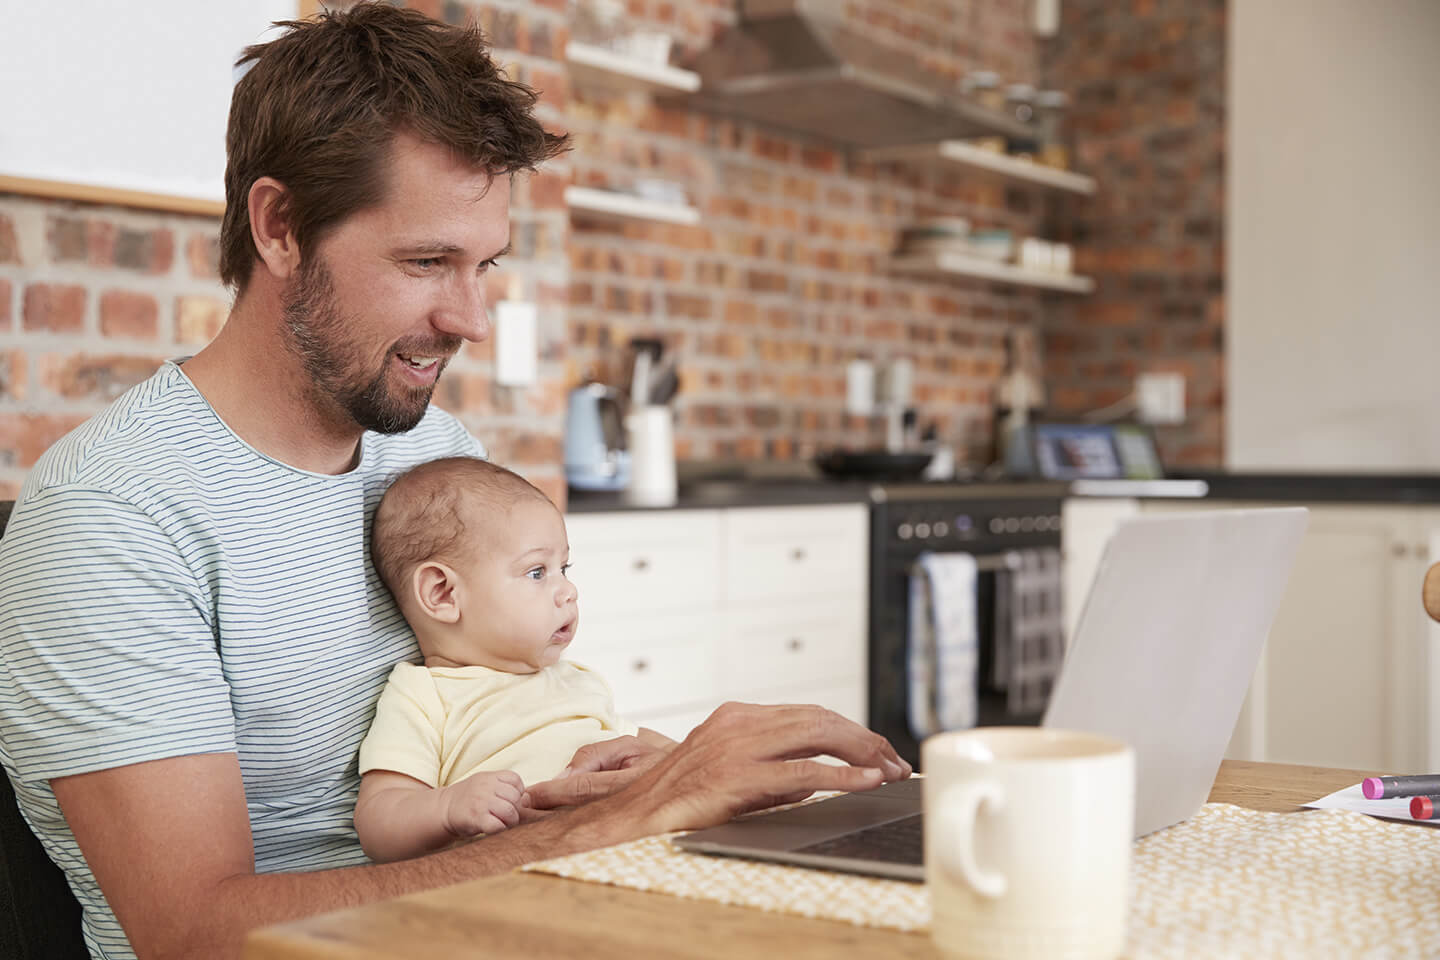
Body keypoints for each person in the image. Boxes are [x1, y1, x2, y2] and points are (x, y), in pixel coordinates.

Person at [0, 6, 910, 960]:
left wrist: (614, 775)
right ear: (279, 226)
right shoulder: (113, 519)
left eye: (484, 265)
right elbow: (192, 932)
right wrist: (616, 824)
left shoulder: (430, 454)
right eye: (427, 261)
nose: (471, 317)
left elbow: (488, 724)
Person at [355, 455, 676, 862]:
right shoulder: (423, 696)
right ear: (443, 594)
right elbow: (379, 822)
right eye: (537, 572)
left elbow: (637, 749)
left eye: (564, 567)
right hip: (524, 874)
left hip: (628, 849)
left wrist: (684, 757)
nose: (568, 591)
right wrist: (448, 808)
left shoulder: (577, 679)